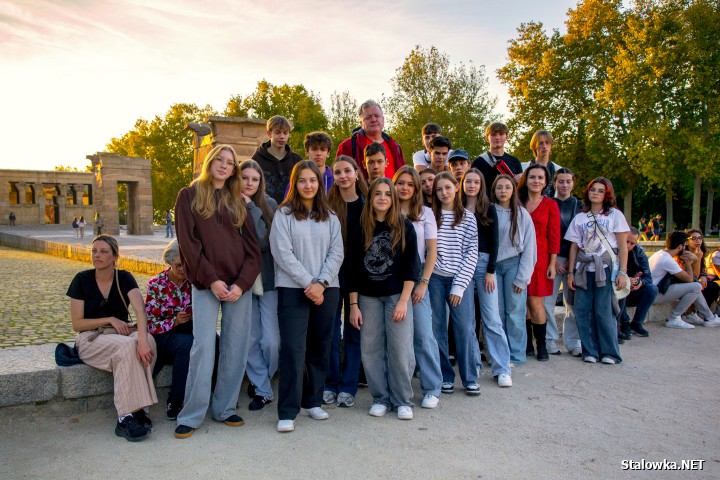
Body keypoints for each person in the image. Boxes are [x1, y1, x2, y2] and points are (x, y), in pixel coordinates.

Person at [173, 144, 262, 439]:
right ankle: (192, 413)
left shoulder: (237, 200)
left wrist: (241, 284)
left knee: (236, 346)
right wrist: (211, 280)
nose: (224, 166)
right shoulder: (189, 196)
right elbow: (189, 244)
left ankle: (224, 408)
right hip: (204, 282)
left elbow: (253, 250)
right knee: (203, 347)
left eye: (230, 163)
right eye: (219, 160)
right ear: (210, 162)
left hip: (238, 285)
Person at [270, 161, 343, 433]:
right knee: (292, 349)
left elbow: (337, 253)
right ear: (295, 183)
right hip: (292, 288)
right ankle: (288, 410)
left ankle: (313, 401)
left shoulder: (331, 216)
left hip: (327, 289)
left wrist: (321, 283)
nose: (308, 185)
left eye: (313, 180)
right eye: (302, 180)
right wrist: (308, 283)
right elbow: (282, 252)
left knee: (320, 346)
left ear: (320, 183)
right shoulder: (284, 214)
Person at [67, 234, 157, 442]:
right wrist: (109, 318)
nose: (97, 255)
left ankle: (138, 408)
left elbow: (139, 311)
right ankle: (125, 416)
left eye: (104, 251)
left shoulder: (124, 278)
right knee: (127, 347)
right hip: (91, 338)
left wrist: (143, 339)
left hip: (121, 334)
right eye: (94, 251)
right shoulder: (81, 280)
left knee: (149, 342)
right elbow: (77, 324)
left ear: (115, 256)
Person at [348, 178, 420, 419]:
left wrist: (403, 301)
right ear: (371, 199)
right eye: (377, 193)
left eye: (387, 194)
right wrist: (354, 305)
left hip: (396, 296)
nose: (382, 198)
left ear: (393, 198)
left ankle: (402, 401)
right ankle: (381, 398)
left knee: (399, 349)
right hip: (368, 298)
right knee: (371, 349)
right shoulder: (361, 228)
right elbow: (353, 270)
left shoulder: (404, 227)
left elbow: (412, 268)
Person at [393, 166, 444, 407]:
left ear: (416, 189)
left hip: (419, 276)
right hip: (392, 277)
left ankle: (432, 386)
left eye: (409, 184)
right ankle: (396, 388)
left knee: (423, 334)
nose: (404, 188)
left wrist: (424, 282)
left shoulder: (425, 214)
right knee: (398, 337)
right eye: (400, 183)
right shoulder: (387, 211)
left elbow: (432, 250)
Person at [566, 177, 629, 365]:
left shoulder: (615, 216)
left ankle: (610, 352)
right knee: (582, 310)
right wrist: (570, 273)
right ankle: (589, 350)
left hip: (606, 267)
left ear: (607, 194)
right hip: (584, 268)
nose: (595, 193)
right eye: (593, 189)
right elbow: (574, 247)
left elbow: (622, 245)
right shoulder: (580, 217)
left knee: (604, 310)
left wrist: (623, 272)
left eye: (601, 190)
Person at [429, 172, 480, 395]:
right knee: (437, 328)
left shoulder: (468, 218)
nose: (444, 192)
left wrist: (459, 286)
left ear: (456, 188)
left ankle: (469, 377)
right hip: (435, 279)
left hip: (460, 279)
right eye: (439, 189)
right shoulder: (431, 216)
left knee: (464, 328)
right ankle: (445, 376)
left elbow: (471, 253)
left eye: (447, 187)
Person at [460, 168, 513, 387]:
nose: (472, 186)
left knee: (491, 318)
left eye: (476, 182)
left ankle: (502, 368)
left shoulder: (489, 209)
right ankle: (474, 364)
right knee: (468, 319)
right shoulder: (457, 208)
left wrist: (491, 271)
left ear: (481, 185)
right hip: (462, 265)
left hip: (484, 266)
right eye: (468, 182)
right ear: (462, 184)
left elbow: (494, 243)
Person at [324, 155, 368, 408]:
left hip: (360, 275)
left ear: (356, 173)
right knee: (330, 331)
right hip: (333, 274)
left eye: (347, 171)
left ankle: (349, 385)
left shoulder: (367, 204)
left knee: (355, 330)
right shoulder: (329, 206)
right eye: (338, 172)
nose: (343, 176)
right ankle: (331, 382)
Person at [239, 160, 280, 411]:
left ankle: (262, 378)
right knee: (250, 339)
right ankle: (262, 389)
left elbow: (264, 242)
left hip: (267, 279)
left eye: (254, 179)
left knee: (272, 341)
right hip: (241, 282)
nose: (249, 183)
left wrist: (252, 207)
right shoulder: (229, 204)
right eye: (245, 178)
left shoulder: (270, 204)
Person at [145, 240, 196, 420]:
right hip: (164, 336)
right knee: (187, 344)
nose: (183, 269)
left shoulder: (192, 283)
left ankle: (214, 391)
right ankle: (175, 400)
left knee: (214, 341)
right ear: (169, 263)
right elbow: (149, 323)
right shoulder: (156, 284)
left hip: (188, 331)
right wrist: (173, 322)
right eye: (179, 265)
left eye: (187, 264)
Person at [491, 174, 537, 366]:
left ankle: (517, 355)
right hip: (493, 267)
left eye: (507, 187)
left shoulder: (521, 213)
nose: (503, 191)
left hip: (513, 265)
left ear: (513, 190)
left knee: (515, 312)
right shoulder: (489, 211)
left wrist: (522, 277)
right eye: (499, 187)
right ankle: (501, 354)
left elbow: (530, 247)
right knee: (497, 312)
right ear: (494, 190)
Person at [518, 164, 560, 362]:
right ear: (526, 179)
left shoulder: (550, 205)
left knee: (535, 303)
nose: (536, 181)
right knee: (521, 302)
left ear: (545, 182)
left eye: (540, 178)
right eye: (532, 177)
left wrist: (552, 263)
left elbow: (554, 236)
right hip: (518, 257)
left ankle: (541, 343)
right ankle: (526, 343)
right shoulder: (518, 201)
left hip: (541, 259)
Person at [648, 231, 720, 329]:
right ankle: (673, 318)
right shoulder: (667, 260)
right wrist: (690, 260)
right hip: (654, 295)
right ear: (680, 247)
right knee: (696, 286)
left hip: (655, 291)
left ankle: (709, 318)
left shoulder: (660, 254)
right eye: (685, 244)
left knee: (698, 286)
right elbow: (690, 279)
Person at [546, 168, 582, 356]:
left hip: (573, 260)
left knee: (572, 304)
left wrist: (571, 261)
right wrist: (554, 261)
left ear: (573, 183)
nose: (565, 185)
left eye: (568, 181)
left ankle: (573, 341)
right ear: (554, 183)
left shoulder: (579, 205)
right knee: (548, 302)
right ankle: (550, 339)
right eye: (561, 181)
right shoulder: (548, 203)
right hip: (552, 259)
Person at [336, 100, 405, 180]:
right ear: (361, 123)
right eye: (368, 117)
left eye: (377, 116)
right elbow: (339, 176)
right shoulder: (348, 146)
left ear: (383, 119)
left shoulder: (395, 147)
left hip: (393, 192)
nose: (373, 120)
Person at [616, 227, 658, 338]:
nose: (628, 246)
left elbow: (648, 277)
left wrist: (640, 282)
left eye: (632, 243)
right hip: (617, 290)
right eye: (626, 241)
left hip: (633, 291)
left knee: (652, 288)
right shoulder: (613, 250)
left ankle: (637, 323)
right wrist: (626, 280)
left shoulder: (639, 252)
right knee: (620, 286)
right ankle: (624, 322)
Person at [251, 115, 303, 204]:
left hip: (291, 211)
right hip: (264, 210)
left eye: (285, 133)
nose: (282, 136)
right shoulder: (257, 159)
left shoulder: (297, 160)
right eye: (278, 132)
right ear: (269, 133)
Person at [472, 122, 523, 197]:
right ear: (487, 138)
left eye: (501, 134)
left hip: (508, 205)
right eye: (493, 135)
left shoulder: (514, 161)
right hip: (486, 205)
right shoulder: (479, 162)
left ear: (506, 137)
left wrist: (522, 179)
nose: (497, 137)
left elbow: (520, 188)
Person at [683, 229, 720, 321]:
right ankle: (691, 313)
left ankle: (700, 314)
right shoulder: (684, 254)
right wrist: (698, 258)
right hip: (684, 282)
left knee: (712, 286)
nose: (698, 241)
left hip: (698, 280)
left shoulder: (700, 252)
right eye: (694, 238)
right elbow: (693, 276)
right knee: (705, 286)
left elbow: (702, 270)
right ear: (687, 242)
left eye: (700, 238)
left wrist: (703, 276)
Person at [521, 130, 562, 197]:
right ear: (535, 146)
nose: (544, 146)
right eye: (541, 143)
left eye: (547, 142)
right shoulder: (523, 168)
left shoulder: (558, 170)